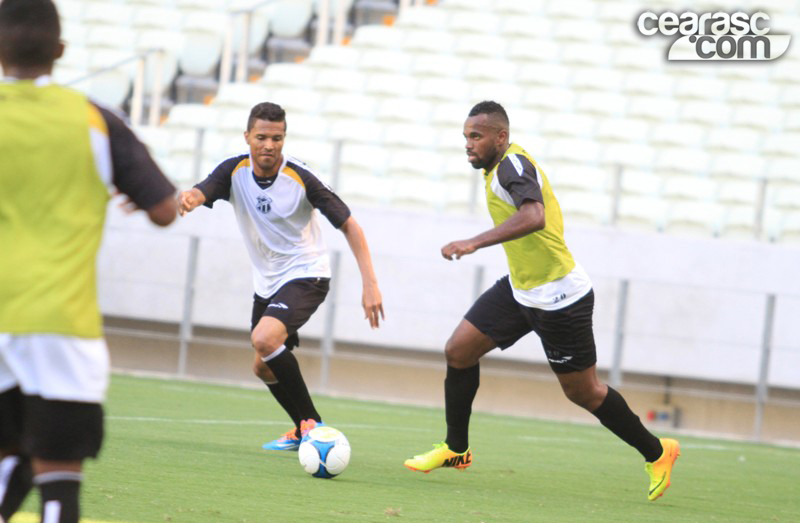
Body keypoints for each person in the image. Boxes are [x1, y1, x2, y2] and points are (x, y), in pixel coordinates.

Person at [403, 101, 679, 501]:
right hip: (521, 289)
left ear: (501, 136)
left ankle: (657, 452)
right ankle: (456, 450)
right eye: (465, 137)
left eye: (476, 136)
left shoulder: (512, 166)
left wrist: (474, 241)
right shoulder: (497, 168)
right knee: (459, 351)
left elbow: (534, 216)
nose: (468, 144)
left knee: (584, 393)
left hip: (560, 297)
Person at [0, 0, 178, 523]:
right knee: (57, 480)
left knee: (11, 456)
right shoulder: (97, 120)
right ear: (60, 51)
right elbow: (166, 210)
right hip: (64, 326)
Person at [178, 102, 384, 451]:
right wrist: (189, 199)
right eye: (261, 137)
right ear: (247, 137)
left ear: (284, 138)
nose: (269, 145)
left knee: (264, 339)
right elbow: (202, 191)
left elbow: (350, 225)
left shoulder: (301, 177)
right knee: (262, 367)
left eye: (277, 138)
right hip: (267, 283)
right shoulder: (234, 171)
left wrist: (370, 284)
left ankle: (314, 427)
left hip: (307, 274)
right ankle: (299, 429)